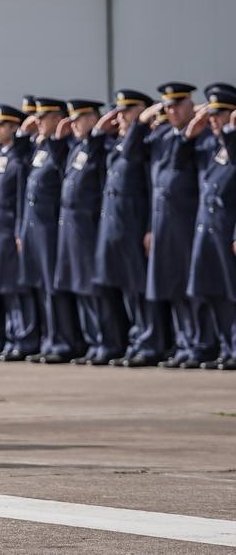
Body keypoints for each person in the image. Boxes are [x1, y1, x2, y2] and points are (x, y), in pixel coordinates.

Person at [139, 83, 214, 368]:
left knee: (191, 287)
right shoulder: (160, 136)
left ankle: (201, 344)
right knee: (171, 285)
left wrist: (188, 134)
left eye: (176, 106)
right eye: (167, 107)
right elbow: (134, 154)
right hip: (162, 221)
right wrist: (146, 118)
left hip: (187, 220)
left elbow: (184, 168)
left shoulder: (200, 135)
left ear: (189, 106)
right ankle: (184, 344)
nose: (171, 111)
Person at [54, 100, 126, 365]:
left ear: (94, 119)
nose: (73, 124)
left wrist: (97, 133)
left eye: (80, 119)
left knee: (95, 289)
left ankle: (109, 342)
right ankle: (93, 341)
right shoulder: (77, 148)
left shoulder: (101, 146)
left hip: (90, 226)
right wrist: (58, 138)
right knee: (79, 287)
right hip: (71, 228)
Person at [96, 90, 164, 367]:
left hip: (136, 224)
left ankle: (150, 343)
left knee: (140, 286)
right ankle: (137, 340)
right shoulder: (118, 142)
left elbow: (151, 188)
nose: (121, 115)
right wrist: (103, 130)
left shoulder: (146, 140)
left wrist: (150, 227)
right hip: (117, 225)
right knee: (127, 287)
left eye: (128, 109)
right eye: (119, 110)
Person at [18, 97, 81, 364]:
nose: (38, 122)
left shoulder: (63, 147)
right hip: (34, 226)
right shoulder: (38, 147)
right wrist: (24, 132)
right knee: (40, 287)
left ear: (58, 119)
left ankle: (65, 340)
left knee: (54, 287)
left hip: (52, 227)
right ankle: (50, 338)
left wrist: (55, 136)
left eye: (44, 118)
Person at [0, 104, 41, 361]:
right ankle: (12, 336)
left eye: (2, 125)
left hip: (10, 229)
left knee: (17, 287)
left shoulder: (19, 158)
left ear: (15, 128)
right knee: (4, 287)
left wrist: (19, 231)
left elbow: (20, 199)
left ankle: (25, 338)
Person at [186, 85, 236, 369]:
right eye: (212, 114)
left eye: (221, 114)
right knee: (213, 290)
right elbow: (177, 164)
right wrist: (192, 130)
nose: (214, 120)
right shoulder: (210, 145)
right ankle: (226, 348)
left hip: (227, 228)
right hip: (207, 227)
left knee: (231, 291)